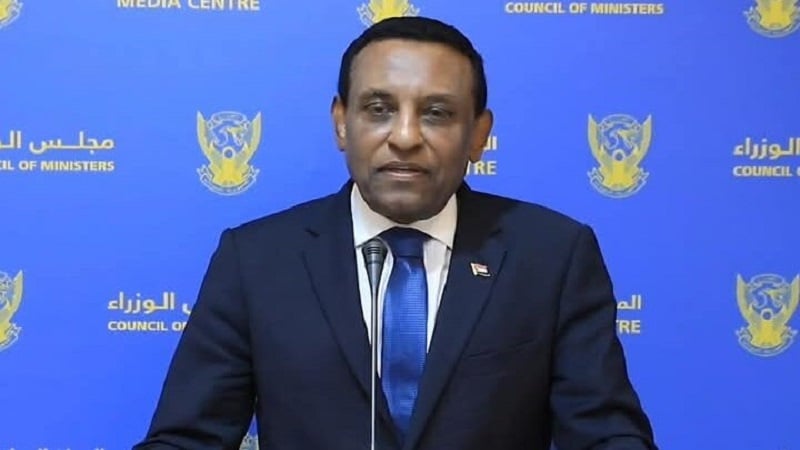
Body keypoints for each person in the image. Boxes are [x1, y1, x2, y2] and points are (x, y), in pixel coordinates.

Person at [133, 16, 657, 450]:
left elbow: (606, 435)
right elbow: (187, 439)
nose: (405, 137)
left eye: (437, 113)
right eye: (379, 109)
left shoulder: (551, 255)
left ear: (479, 134)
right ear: (342, 123)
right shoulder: (256, 260)